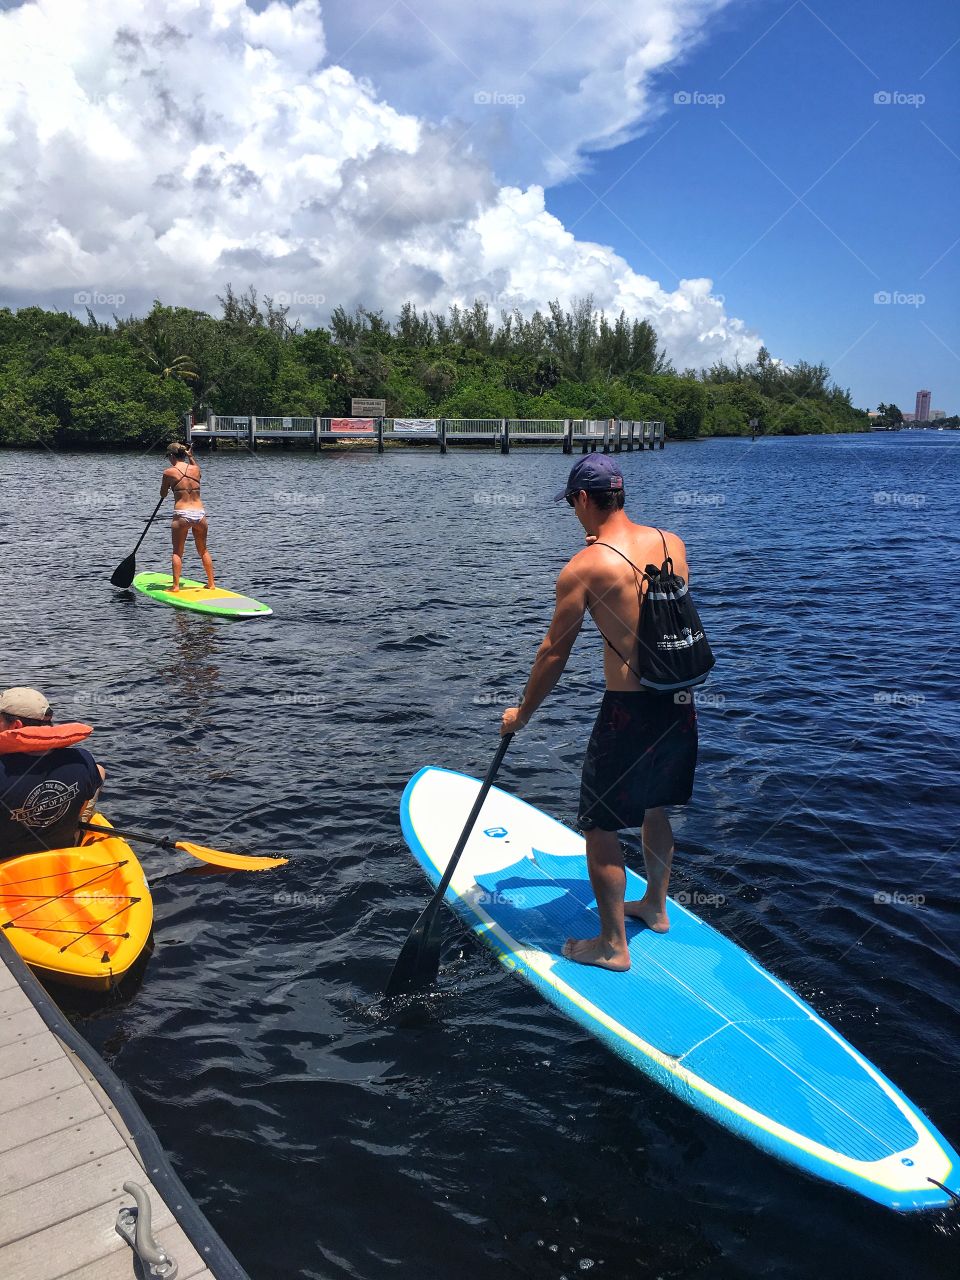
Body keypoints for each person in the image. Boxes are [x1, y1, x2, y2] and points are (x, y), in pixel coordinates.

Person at [500, 456, 699, 972]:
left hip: (629, 711)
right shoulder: (670, 543)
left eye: (572, 504)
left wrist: (523, 712)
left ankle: (612, 946)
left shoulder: (584, 567)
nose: (573, 513)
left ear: (584, 500)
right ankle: (655, 906)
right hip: (678, 699)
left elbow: (553, 652)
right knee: (655, 808)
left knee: (599, 824)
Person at [0, 687, 105, 858]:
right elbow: (98, 773)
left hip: (7, 866)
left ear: (16, 725)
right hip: (61, 852)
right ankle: (79, 822)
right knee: (98, 771)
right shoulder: (81, 759)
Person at [161, 442, 215, 593]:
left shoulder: (168, 472)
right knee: (203, 550)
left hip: (182, 514)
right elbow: (199, 474)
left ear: (172, 456)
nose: (169, 460)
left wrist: (171, 488)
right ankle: (211, 583)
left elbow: (163, 494)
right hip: (199, 513)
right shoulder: (195, 469)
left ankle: (176, 587)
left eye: (169, 457)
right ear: (184, 455)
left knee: (177, 552)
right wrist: (191, 458)